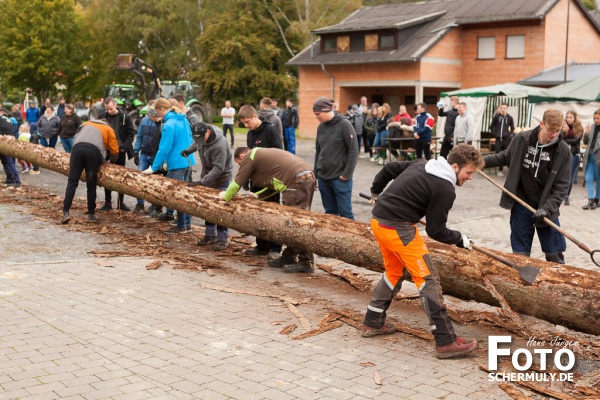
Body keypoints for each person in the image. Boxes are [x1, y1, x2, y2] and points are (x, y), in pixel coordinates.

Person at [362, 144, 482, 359]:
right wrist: (459, 238)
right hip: (397, 228)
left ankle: (373, 321)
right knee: (428, 279)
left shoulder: (423, 163)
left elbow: (389, 168)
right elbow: (436, 231)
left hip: (379, 221)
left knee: (394, 272)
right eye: (469, 172)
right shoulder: (445, 188)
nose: (470, 177)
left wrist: (376, 191)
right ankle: (445, 340)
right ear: (455, 166)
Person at [483, 109, 570, 264]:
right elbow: (504, 157)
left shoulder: (563, 151)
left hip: (546, 207)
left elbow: (561, 187)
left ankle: (558, 284)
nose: (554, 135)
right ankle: (521, 284)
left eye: (557, 131)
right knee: (520, 254)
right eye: (551, 130)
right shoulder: (523, 139)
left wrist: (547, 209)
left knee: (554, 253)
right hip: (521, 203)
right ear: (542, 124)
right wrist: (481, 162)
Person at [219, 147, 317, 273]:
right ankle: (289, 256)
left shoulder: (249, 157)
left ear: (242, 156)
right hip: (304, 176)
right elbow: (274, 186)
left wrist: (226, 197)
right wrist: (257, 196)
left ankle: (306, 262)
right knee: (293, 222)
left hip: (297, 180)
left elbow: (237, 182)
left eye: (239, 163)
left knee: (297, 223)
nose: (241, 166)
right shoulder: (264, 158)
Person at [142, 98, 196, 233]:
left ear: (160, 109)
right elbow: (190, 138)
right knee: (186, 194)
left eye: (157, 110)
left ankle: (181, 225)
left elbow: (164, 148)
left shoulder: (168, 125)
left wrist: (154, 167)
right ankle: (187, 223)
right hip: (187, 161)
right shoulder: (183, 119)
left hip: (176, 163)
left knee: (177, 196)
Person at [239, 104, 283, 256]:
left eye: (247, 122)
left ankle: (276, 246)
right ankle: (261, 245)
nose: (246, 126)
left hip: (271, 179)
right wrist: (246, 177)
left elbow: (279, 154)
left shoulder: (270, 130)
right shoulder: (250, 134)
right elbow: (249, 157)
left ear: (254, 116)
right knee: (257, 213)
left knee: (272, 212)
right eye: (243, 124)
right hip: (256, 179)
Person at [183, 122, 233, 250]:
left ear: (208, 132)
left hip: (221, 178)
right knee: (207, 207)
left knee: (220, 209)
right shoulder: (201, 136)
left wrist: (203, 182)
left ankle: (222, 240)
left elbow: (219, 168)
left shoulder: (219, 145)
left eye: (201, 138)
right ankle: (210, 236)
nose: (199, 141)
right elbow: (197, 144)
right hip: (207, 174)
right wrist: (189, 150)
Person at [60, 120, 119, 224]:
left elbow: (75, 138)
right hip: (93, 152)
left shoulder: (85, 124)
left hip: (77, 149)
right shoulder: (108, 129)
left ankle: (65, 212)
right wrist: (112, 162)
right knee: (91, 184)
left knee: (72, 182)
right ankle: (91, 214)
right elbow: (114, 149)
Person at [313, 96, 358, 219]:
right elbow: (318, 151)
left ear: (327, 110)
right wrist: (315, 174)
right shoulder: (320, 127)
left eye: (318, 114)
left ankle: (352, 238)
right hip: (323, 178)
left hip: (340, 178)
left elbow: (354, 151)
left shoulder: (344, 124)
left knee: (346, 215)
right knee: (330, 214)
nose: (316, 117)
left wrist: (346, 175)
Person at [98, 97, 136, 212]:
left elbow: (131, 133)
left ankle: (121, 202)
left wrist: (124, 148)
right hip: (107, 150)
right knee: (106, 176)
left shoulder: (125, 117)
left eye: (110, 109)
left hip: (120, 150)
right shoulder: (103, 116)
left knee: (120, 177)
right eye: (107, 109)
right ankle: (108, 202)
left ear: (115, 105)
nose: (109, 111)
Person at [133, 105, 161, 213]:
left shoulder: (160, 123)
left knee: (156, 181)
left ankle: (155, 205)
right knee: (140, 178)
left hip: (155, 155)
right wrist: (136, 152)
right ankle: (140, 203)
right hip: (144, 154)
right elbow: (139, 136)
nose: (150, 118)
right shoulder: (144, 121)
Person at [561, 110, 583, 206]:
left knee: (569, 176)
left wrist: (566, 140)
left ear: (575, 118)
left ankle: (567, 196)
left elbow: (577, 140)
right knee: (562, 175)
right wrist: (563, 132)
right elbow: (559, 138)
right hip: (563, 154)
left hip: (574, 154)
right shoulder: (563, 127)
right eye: (567, 117)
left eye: (571, 117)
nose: (569, 119)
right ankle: (561, 194)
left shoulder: (578, 127)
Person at [489, 103, 515, 177]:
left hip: (506, 140)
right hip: (498, 140)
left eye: (504, 108)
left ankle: (510, 170)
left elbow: (512, 128)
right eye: (501, 108)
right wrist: (495, 134)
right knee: (498, 154)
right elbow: (491, 127)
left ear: (507, 108)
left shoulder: (510, 118)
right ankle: (500, 170)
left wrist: (509, 135)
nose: (503, 109)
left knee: (507, 154)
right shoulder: (496, 117)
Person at [582, 109, 600, 210]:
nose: (596, 120)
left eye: (598, 118)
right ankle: (591, 200)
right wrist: (586, 133)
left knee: (598, 179)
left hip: (598, 157)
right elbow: (585, 141)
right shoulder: (592, 127)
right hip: (589, 155)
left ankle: (597, 199)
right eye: (595, 118)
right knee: (588, 178)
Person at [0, 108, 21, 187]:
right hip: (10, 140)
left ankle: (16, 180)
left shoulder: (1, 118)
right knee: (6, 162)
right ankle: (10, 179)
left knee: (7, 161)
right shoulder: (8, 120)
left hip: (4, 141)